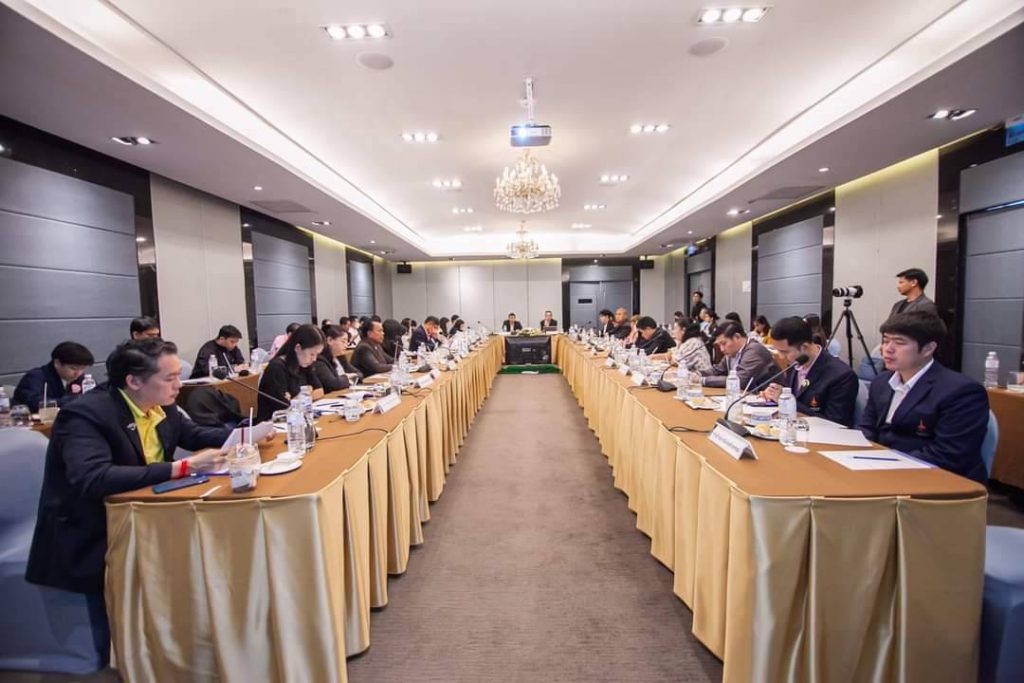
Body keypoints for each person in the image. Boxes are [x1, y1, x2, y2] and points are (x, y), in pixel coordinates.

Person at [25, 339, 230, 663]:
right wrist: (180, 468)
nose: (179, 385)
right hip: (93, 526)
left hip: (147, 515)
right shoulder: (85, 414)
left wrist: (247, 434)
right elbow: (93, 478)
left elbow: (193, 435)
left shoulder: (161, 403)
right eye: (170, 378)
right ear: (134, 381)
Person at [858, 312, 989, 483]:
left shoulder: (961, 391)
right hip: (880, 470)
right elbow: (867, 428)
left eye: (899, 342)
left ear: (928, 349)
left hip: (937, 480)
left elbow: (948, 454)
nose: (887, 349)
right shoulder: (881, 382)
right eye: (885, 340)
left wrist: (884, 465)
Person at [763, 317, 859, 427]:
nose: (780, 357)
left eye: (784, 352)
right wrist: (774, 395)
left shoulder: (841, 375)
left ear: (804, 347)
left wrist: (786, 399)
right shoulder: (795, 364)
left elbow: (835, 423)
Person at [256, 324, 325, 422]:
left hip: (298, 419)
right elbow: (283, 408)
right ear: (298, 348)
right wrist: (305, 395)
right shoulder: (276, 368)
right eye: (312, 354)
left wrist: (298, 399)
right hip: (273, 424)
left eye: (317, 355)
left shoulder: (304, 364)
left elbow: (320, 390)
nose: (314, 359)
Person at [14, 342, 95, 412]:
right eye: (73, 368)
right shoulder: (35, 377)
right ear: (57, 363)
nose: (78, 373)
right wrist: (74, 399)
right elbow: (32, 402)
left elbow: (96, 395)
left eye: (83, 368)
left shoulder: (82, 378)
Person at [697, 321, 777, 389]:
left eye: (724, 343)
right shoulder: (732, 352)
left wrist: (702, 380)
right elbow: (717, 370)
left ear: (737, 337)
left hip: (765, 398)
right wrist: (698, 374)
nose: (721, 349)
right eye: (719, 345)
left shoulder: (754, 350)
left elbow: (740, 380)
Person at [312, 325, 355, 392]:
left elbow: (358, 373)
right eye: (343, 341)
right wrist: (346, 377)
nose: (346, 345)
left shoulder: (341, 357)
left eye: (347, 342)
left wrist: (346, 378)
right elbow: (332, 384)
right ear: (330, 340)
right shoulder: (319, 360)